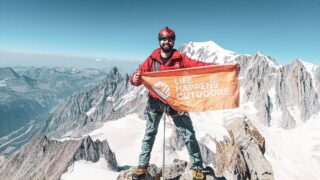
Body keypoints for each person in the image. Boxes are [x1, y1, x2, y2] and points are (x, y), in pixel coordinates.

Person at [130, 27, 215, 180]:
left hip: (175, 101)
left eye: (169, 39)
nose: (166, 41)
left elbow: (197, 65)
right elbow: (138, 75)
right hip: (155, 102)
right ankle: (142, 166)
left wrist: (219, 68)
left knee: (188, 134)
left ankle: (197, 167)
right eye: (163, 39)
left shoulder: (180, 58)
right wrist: (134, 80)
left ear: (173, 41)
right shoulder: (152, 59)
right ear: (159, 41)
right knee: (149, 134)